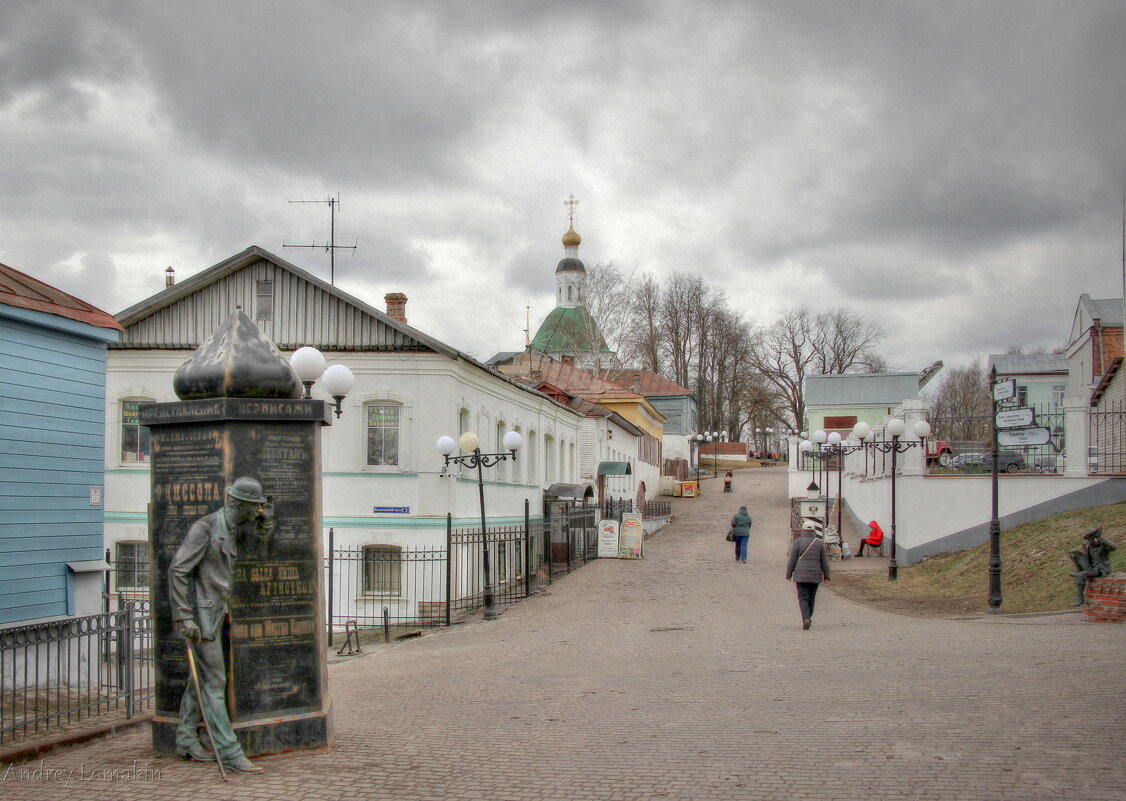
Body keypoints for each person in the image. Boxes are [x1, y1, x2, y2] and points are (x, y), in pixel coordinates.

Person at [169, 476, 274, 775]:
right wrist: (184, 616)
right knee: (215, 683)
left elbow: (261, 534)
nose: (257, 512)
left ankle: (186, 737)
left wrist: (266, 517)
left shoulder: (233, 525)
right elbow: (178, 570)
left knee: (200, 678)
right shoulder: (205, 528)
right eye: (253, 507)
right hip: (202, 618)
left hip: (220, 614)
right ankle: (230, 753)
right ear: (238, 505)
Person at [786, 520, 831, 630]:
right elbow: (824, 561)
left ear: (803, 530)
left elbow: (792, 560)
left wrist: (788, 574)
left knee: (803, 597)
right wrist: (826, 575)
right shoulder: (819, 543)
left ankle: (805, 618)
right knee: (812, 597)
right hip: (815, 576)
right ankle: (809, 616)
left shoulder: (798, 542)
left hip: (801, 576)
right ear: (814, 530)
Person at [1068, 527, 1118, 606]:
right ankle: (1078, 570)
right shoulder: (1087, 544)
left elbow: (1114, 547)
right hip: (1091, 567)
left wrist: (1101, 538)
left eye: (1092, 538)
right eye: (1089, 539)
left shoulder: (1103, 545)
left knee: (1080, 576)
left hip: (1100, 569)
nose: (1090, 540)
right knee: (1073, 553)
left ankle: (1080, 599)